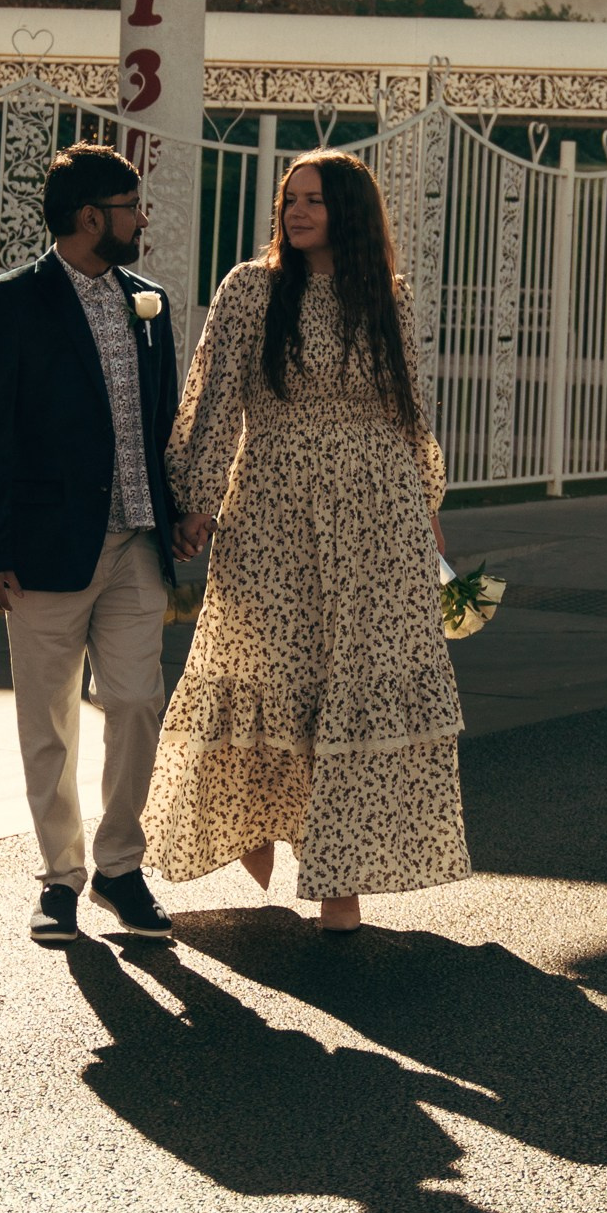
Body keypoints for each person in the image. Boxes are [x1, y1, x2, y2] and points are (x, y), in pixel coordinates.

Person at [142, 149, 469, 934]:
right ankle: (257, 820)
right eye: (291, 199)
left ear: (349, 211)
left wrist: (427, 517)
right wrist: (195, 500)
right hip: (274, 507)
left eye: (316, 200)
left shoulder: (388, 297)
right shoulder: (251, 289)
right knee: (264, 666)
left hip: (380, 514)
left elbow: (408, 411)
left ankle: (338, 884)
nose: (297, 211)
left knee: (358, 681)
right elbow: (214, 397)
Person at [0, 141, 181, 950]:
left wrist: (179, 509)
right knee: (47, 720)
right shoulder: (12, 302)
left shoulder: (147, 301)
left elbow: (165, 430)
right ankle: (61, 879)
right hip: (45, 548)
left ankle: (122, 866)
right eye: (130, 207)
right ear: (91, 217)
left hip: (135, 544)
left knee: (133, 701)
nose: (141, 218)